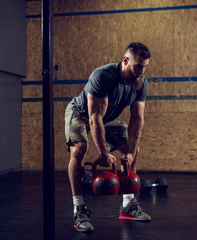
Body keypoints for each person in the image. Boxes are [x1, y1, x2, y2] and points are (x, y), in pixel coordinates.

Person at [64, 42, 152, 232]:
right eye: (138, 66)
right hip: (81, 113)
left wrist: (130, 153)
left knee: (133, 149)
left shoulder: (140, 83)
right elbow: (94, 118)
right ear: (125, 60)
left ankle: (128, 205)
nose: (142, 71)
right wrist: (103, 153)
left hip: (109, 117)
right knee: (80, 149)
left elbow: (138, 118)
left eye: (145, 66)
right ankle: (78, 207)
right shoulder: (103, 75)